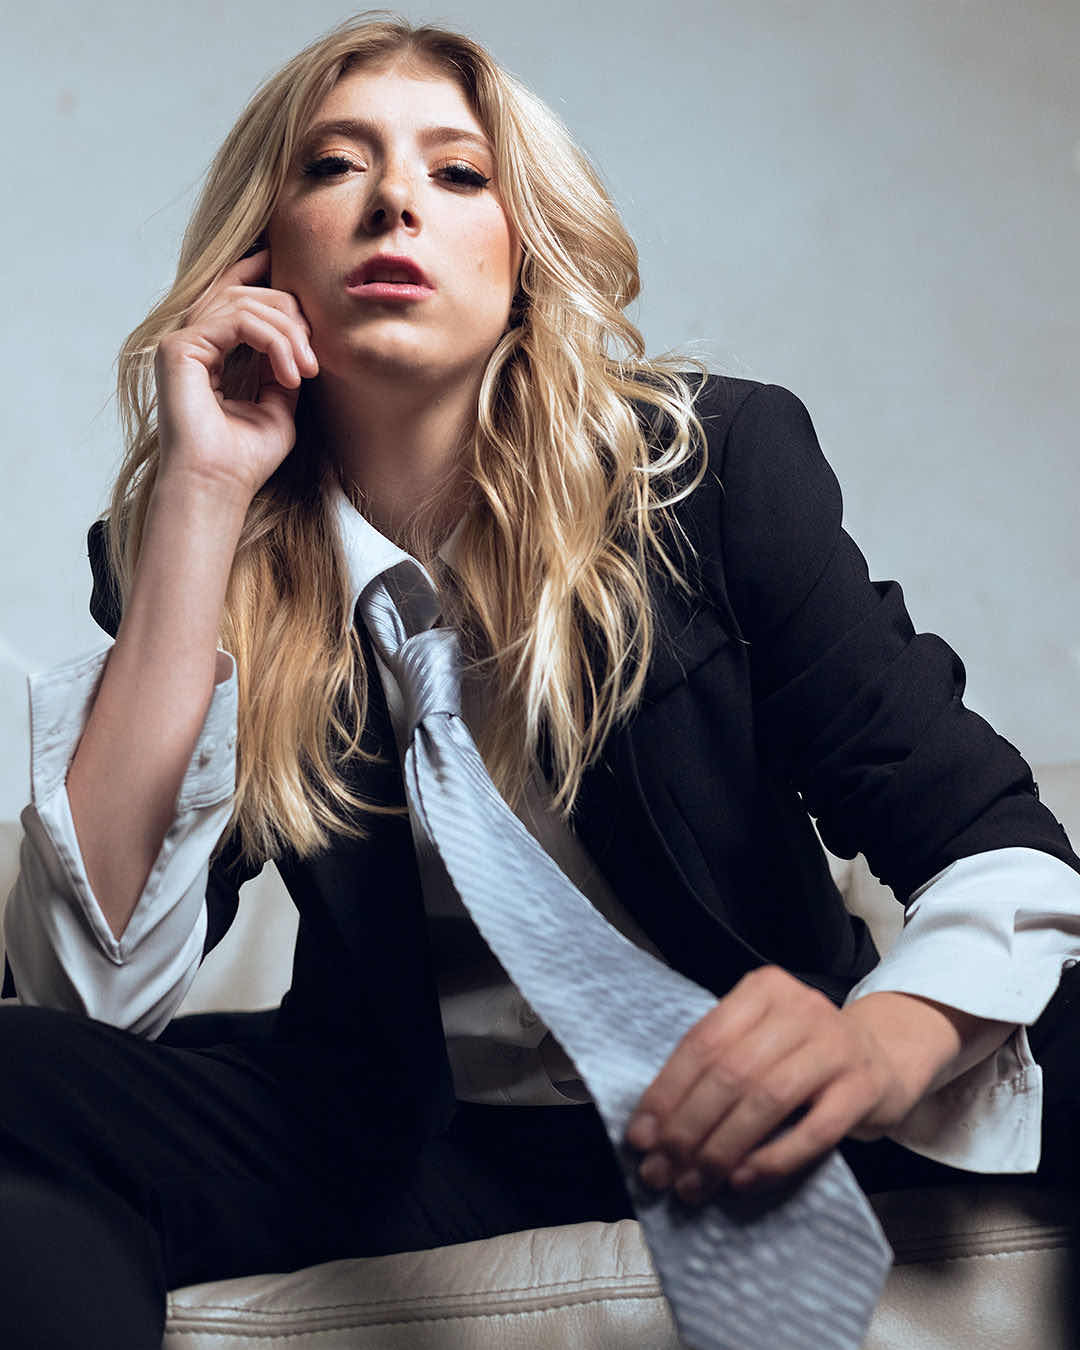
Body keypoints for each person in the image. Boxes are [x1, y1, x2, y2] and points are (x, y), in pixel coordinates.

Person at [3, 12, 1080, 1349]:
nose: (395, 199)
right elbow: (89, 999)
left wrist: (875, 1048)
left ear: (524, 256)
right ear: (261, 255)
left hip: (765, 1102)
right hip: (402, 1142)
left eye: (459, 172)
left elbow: (999, 846)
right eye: (335, 166)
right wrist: (201, 495)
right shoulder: (199, 551)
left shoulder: (710, 474)